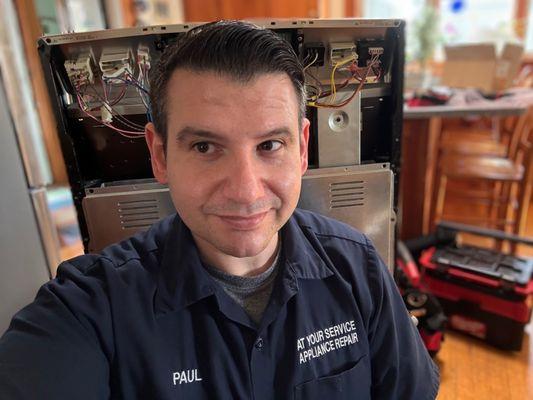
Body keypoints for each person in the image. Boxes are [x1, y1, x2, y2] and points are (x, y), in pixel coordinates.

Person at [0, 20, 439, 399]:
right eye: (206, 146)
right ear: (160, 156)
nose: (246, 191)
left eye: (270, 145)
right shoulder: (91, 308)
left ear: (302, 150)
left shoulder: (358, 266)